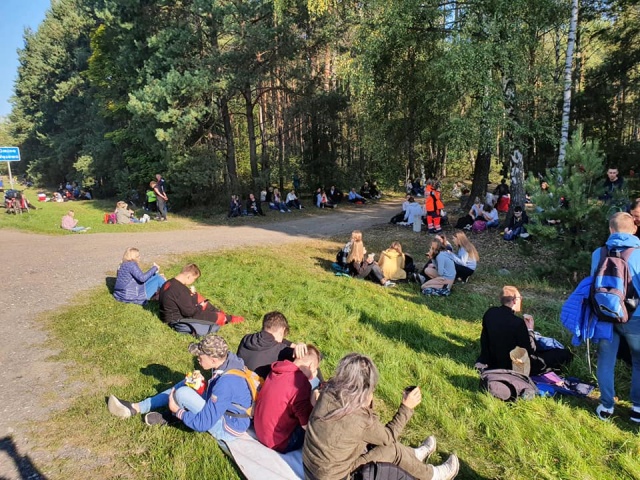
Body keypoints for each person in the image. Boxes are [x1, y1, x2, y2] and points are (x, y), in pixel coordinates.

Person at [303, 353, 459, 480]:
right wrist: (406, 408)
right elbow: (388, 437)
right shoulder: (360, 419)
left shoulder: (328, 392)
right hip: (336, 476)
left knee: (377, 441)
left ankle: (415, 454)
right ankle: (434, 475)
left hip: (312, 467)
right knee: (391, 450)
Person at [107, 334, 253, 441]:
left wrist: (178, 411)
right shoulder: (227, 361)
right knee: (188, 382)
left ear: (213, 360)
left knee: (182, 393)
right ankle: (137, 407)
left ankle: (173, 415)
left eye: (200, 357)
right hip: (224, 411)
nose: (198, 359)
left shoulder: (226, 383)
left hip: (227, 428)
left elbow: (204, 423)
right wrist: (203, 386)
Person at [591, 212, 640, 421]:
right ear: (634, 229)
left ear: (611, 229)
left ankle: (606, 406)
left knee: (606, 360)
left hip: (605, 315)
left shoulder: (598, 253)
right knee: (638, 362)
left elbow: (593, 284)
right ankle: (637, 409)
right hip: (635, 317)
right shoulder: (638, 254)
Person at [476, 286, 572, 376]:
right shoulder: (517, 323)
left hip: (491, 360)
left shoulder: (490, 313)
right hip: (514, 365)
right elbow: (529, 351)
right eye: (520, 298)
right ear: (514, 300)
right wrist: (530, 330)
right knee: (564, 354)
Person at [254, 345, 321, 453]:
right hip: (278, 442)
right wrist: (313, 402)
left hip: (259, 431)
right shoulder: (301, 384)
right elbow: (306, 426)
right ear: (311, 365)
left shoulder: (277, 369)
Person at [158, 263, 244, 328]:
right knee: (219, 317)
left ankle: (217, 311)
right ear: (188, 276)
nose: (193, 282)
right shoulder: (180, 291)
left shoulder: (170, 282)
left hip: (173, 313)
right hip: (176, 320)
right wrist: (200, 306)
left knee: (197, 296)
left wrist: (194, 297)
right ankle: (226, 318)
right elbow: (190, 313)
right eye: (194, 279)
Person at [237, 311, 310, 379]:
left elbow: (268, 338)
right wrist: (301, 346)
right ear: (282, 330)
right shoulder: (281, 351)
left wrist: (293, 345)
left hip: (236, 379)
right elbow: (309, 357)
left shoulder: (246, 339)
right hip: (255, 387)